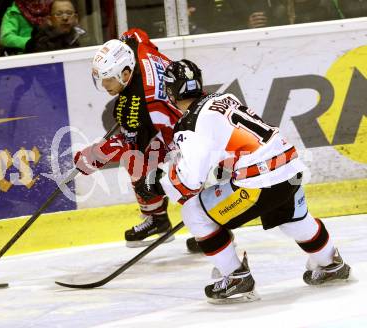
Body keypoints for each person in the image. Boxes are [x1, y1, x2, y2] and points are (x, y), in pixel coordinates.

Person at [135, 59, 352, 303]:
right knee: (294, 220)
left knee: (194, 212)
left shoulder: (190, 123)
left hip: (259, 182)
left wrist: (156, 185)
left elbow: (189, 181)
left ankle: (236, 277)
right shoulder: (224, 98)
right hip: (290, 168)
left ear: (170, 92)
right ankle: (330, 263)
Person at [73, 28, 182, 248]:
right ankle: (158, 219)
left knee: (156, 175)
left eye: (108, 80)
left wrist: (96, 155)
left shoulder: (143, 107)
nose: (104, 86)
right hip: (179, 105)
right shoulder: (135, 46)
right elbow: (136, 33)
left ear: (124, 74)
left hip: (181, 130)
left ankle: (210, 227)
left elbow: (135, 150)